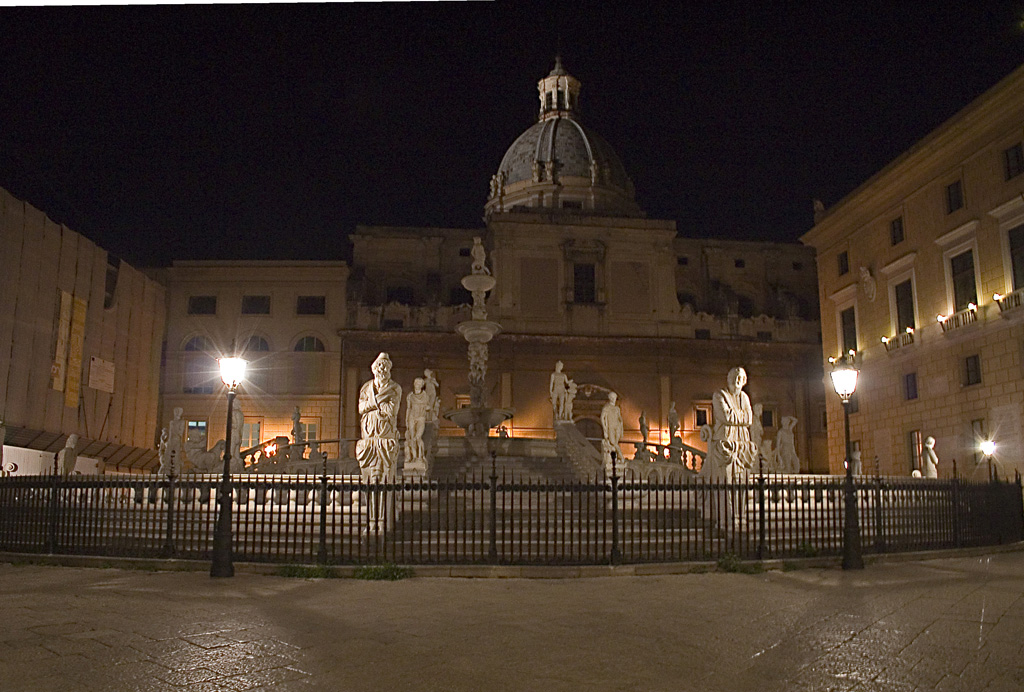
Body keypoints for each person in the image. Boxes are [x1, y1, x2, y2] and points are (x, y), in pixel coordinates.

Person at [701, 367, 757, 526]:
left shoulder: (744, 397)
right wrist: (740, 415)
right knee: (725, 483)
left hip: (743, 446)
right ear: (728, 378)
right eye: (734, 376)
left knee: (742, 484)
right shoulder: (719, 395)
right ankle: (727, 518)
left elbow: (749, 419)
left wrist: (735, 415)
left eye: (741, 377)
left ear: (744, 381)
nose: (737, 380)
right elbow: (725, 416)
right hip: (724, 445)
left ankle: (740, 516)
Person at [356, 352, 403, 483]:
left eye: (385, 367)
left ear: (389, 369)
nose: (382, 370)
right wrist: (381, 402)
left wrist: (371, 405)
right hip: (368, 434)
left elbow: (391, 410)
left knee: (386, 476)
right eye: (379, 367)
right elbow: (361, 408)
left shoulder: (395, 388)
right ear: (374, 369)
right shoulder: (366, 388)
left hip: (386, 434)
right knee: (369, 477)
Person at [405, 377, 430, 471]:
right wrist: (406, 420)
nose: (417, 385)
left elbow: (428, 407)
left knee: (418, 437)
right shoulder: (410, 396)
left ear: (422, 385)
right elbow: (408, 408)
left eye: (419, 384)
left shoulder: (425, 396)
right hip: (412, 417)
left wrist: (427, 408)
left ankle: (420, 456)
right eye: (416, 383)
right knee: (411, 438)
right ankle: (414, 457)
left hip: (420, 418)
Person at [601, 392, 624, 470]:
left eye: (615, 398)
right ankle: (621, 456)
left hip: (616, 427)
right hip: (610, 427)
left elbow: (619, 417)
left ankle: (613, 458)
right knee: (612, 442)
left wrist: (621, 423)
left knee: (615, 444)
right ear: (610, 398)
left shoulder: (617, 408)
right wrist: (605, 430)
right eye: (612, 397)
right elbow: (602, 418)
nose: (614, 399)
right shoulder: (606, 407)